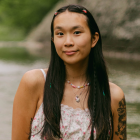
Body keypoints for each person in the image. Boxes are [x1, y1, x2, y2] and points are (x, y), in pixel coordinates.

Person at [12, 4, 126, 140]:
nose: (68, 42)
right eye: (60, 34)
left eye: (77, 32)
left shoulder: (113, 96)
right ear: (53, 40)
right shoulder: (34, 82)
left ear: (94, 39)